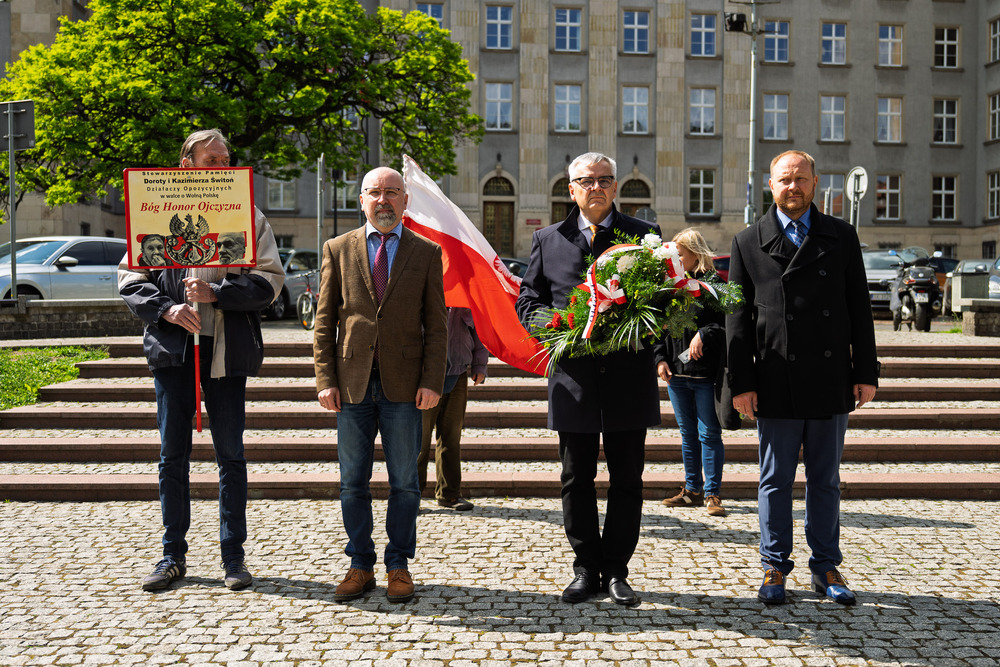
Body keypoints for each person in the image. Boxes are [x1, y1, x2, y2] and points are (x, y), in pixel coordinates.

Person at [119, 128, 285, 592]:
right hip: (175, 352)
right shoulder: (154, 209)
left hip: (227, 352)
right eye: (210, 159)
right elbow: (131, 277)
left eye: (226, 159)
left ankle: (233, 556)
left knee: (231, 456)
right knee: (173, 456)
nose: (220, 166)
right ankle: (173, 555)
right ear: (188, 165)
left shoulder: (246, 215)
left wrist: (218, 292)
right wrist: (167, 308)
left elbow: (270, 282)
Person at [726, 150, 879, 606]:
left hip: (830, 377)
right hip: (774, 379)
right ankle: (774, 565)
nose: (792, 187)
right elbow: (736, 319)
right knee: (774, 479)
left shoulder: (842, 236)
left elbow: (860, 311)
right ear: (770, 185)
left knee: (825, 479)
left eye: (800, 179)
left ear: (815, 183)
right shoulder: (748, 241)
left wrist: (865, 372)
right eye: (783, 180)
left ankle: (826, 565)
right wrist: (741, 383)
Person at [516, 152, 660, 606]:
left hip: (627, 376)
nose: (595, 187)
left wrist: (641, 324)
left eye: (604, 180)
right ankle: (585, 567)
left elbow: (663, 300)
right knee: (575, 478)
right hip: (573, 376)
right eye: (586, 180)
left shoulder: (643, 236)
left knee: (627, 478)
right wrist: (554, 324)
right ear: (570, 188)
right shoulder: (547, 239)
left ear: (615, 187)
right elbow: (527, 301)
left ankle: (617, 569)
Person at [314, 166, 447, 604]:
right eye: (375, 192)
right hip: (350, 385)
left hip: (406, 387)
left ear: (406, 200)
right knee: (352, 482)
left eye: (392, 192)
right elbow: (324, 321)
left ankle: (398, 566)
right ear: (362, 199)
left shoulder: (426, 252)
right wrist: (324, 379)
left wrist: (432, 380)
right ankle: (360, 564)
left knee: (405, 483)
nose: (384, 200)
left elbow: (437, 325)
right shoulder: (337, 248)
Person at [655, 228, 728, 517]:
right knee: (687, 435)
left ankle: (713, 494)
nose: (675, 259)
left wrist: (704, 333)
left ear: (695, 254)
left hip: (705, 374)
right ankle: (692, 490)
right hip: (676, 374)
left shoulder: (713, 284)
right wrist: (659, 359)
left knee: (709, 433)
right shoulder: (670, 284)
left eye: (679, 255)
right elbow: (656, 327)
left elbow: (726, 325)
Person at [417, 306, 488, 512]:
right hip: (424, 375)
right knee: (418, 440)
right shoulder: (422, 284)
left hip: (457, 373)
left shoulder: (465, 296)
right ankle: (411, 495)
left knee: (451, 436)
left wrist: (479, 366)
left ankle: (449, 494)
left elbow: (479, 332)